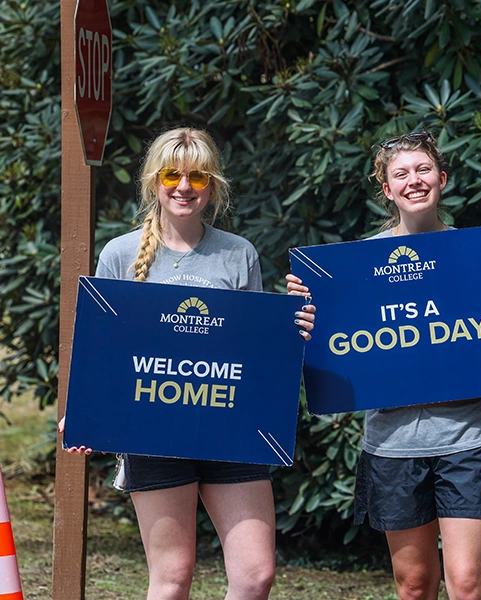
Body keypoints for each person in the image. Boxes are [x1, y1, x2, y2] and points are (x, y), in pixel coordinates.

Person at [59, 127, 316, 600]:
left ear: (212, 185)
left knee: (256, 576)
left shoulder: (239, 254)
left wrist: (293, 327)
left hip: (230, 431)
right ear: (153, 182)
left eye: (197, 177)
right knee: (173, 579)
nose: (183, 187)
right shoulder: (119, 253)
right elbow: (103, 347)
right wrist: (85, 411)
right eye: (172, 175)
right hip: (151, 429)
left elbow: (254, 352)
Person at [286, 130, 481, 600]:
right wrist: (304, 315)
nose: (414, 181)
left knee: (467, 583)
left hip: (470, 439)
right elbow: (329, 350)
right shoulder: (353, 269)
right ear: (387, 189)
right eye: (401, 174)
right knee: (415, 585)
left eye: (423, 170)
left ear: (443, 178)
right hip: (392, 446)